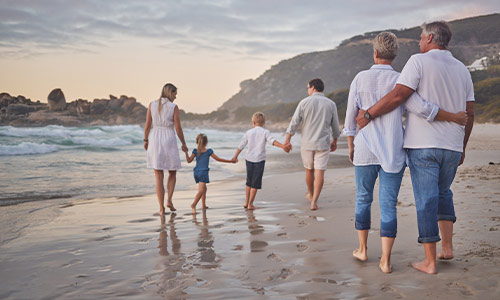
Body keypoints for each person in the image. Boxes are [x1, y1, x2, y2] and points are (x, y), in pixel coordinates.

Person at [356, 21, 474, 274]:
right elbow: (470, 113)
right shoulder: (463, 69)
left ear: (430, 37)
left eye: (421, 38)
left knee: (426, 200)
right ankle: (447, 248)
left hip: (424, 145)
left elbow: (401, 96)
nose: (419, 42)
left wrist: (368, 114)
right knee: (444, 192)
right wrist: (462, 145)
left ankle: (430, 262)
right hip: (452, 145)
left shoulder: (418, 62)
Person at [284, 78, 340, 210]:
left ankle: (310, 194)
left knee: (309, 170)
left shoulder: (304, 102)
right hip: (323, 143)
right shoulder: (331, 104)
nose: (307, 90)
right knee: (320, 172)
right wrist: (335, 140)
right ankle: (314, 201)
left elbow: (294, 122)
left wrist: (287, 140)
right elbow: (335, 126)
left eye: (308, 87)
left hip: (307, 143)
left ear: (313, 88)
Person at [144, 83, 188, 215]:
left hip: (155, 138)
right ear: (170, 93)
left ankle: (161, 208)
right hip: (169, 137)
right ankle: (169, 200)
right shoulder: (173, 107)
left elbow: (147, 125)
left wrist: (145, 140)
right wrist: (184, 143)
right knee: (172, 172)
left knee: (158, 175)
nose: (175, 97)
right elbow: (178, 128)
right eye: (175, 94)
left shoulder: (152, 104)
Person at [232, 112, 290, 210]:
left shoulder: (249, 132)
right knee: (255, 183)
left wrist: (235, 157)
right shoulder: (265, 132)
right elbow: (272, 141)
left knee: (249, 181)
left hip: (249, 159)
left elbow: (241, 145)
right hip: (259, 160)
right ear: (263, 123)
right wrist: (283, 146)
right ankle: (250, 204)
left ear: (253, 122)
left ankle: (246, 202)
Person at [184, 133, 235, 215]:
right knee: (201, 191)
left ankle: (203, 205)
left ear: (197, 142)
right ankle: (193, 204)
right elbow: (218, 159)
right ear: (206, 142)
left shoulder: (195, 151)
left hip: (196, 172)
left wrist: (186, 153)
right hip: (203, 172)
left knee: (204, 189)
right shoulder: (208, 151)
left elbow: (189, 161)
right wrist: (231, 161)